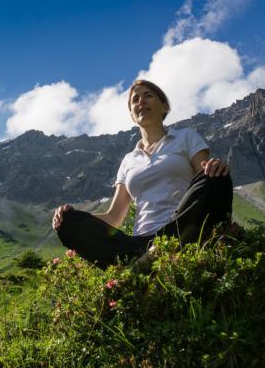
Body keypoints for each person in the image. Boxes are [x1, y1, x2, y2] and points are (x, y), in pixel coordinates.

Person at [51, 79, 233, 268]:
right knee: (68, 222)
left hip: (182, 230)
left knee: (216, 177)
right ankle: (144, 260)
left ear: (164, 107)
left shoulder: (185, 137)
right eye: (135, 100)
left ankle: (153, 256)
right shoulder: (129, 160)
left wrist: (215, 167)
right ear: (132, 115)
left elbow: (204, 176)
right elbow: (114, 216)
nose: (141, 102)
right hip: (138, 244)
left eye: (148, 96)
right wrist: (71, 216)